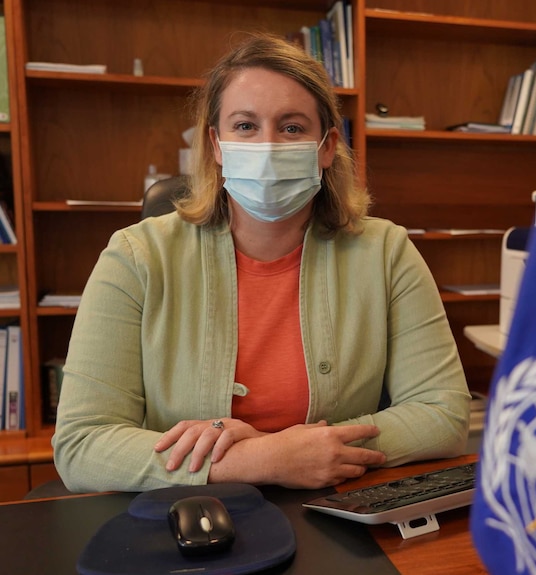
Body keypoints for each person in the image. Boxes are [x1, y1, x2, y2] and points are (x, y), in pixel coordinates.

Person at [52, 32, 471, 493]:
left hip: (340, 512)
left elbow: (444, 414)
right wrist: (258, 459)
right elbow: (82, 443)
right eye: (245, 126)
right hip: (189, 521)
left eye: (292, 128)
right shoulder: (135, 256)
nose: (268, 146)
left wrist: (317, 450)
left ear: (327, 147)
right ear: (216, 144)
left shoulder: (387, 252)